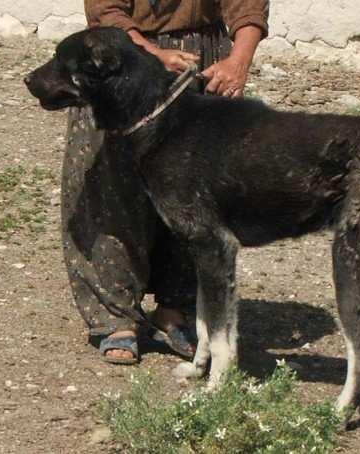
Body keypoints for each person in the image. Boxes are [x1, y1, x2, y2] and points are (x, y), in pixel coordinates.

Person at [63, 0, 268, 364]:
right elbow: (105, 8)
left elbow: (247, 4)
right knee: (108, 186)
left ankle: (177, 309)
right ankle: (115, 315)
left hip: (197, 55)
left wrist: (239, 60)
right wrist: (150, 52)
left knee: (195, 192)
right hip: (120, 54)